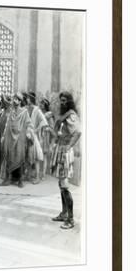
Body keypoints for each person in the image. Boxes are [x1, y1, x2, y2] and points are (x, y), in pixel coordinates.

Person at [50, 91, 81, 229]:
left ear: (69, 101)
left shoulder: (71, 115)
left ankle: (71, 219)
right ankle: (63, 213)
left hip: (65, 151)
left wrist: (69, 146)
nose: (62, 103)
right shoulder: (64, 116)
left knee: (65, 185)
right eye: (61, 100)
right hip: (60, 149)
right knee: (61, 184)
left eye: (64, 100)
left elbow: (78, 132)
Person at [0, 92, 34, 188]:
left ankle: (20, 180)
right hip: (9, 136)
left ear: (20, 101)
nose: (15, 101)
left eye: (17, 99)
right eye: (14, 99)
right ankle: (7, 179)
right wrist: (3, 136)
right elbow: (7, 124)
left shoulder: (24, 112)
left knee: (19, 156)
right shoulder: (11, 112)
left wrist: (28, 132)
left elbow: (29, 124)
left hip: (20, 137)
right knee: (8, 155)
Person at [25, 92, 48, 184]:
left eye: (27, 98)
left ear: (31, 99)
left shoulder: (37, 110)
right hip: (26, 135)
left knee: (36, 156)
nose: (26, 100)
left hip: (33, 136)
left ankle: (37, 177)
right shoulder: (26, 109)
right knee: (28, 156)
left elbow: (44, 122)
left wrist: (36, 130)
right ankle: (28, 175)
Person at [39, 98, 55, 178]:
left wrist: (47, 128)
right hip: (39, 135)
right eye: (40, 104)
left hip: (45, 136)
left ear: (45, 106)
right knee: (38, 155)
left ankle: (43, 174)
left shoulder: (49, 115)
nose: (40, 105)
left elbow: (52, 128)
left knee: (44, 156)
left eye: (42, 104)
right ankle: (38, 172)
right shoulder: (40, 113)